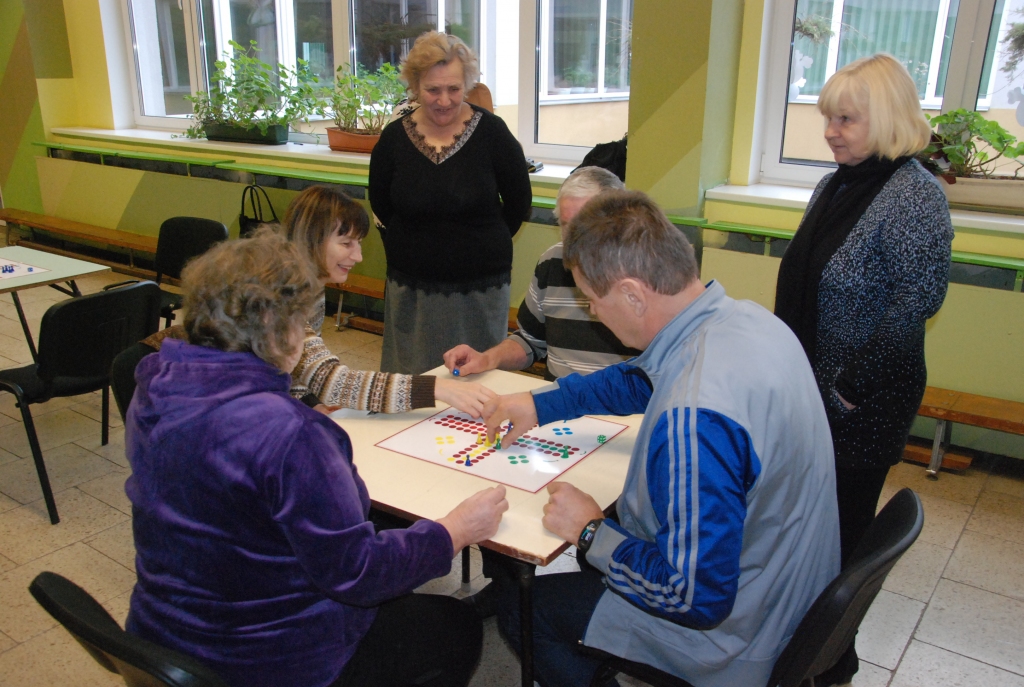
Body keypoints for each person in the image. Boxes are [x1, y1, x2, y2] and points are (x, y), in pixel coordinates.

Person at [482, 190, 840, 687]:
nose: (591, 312)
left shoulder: (694, 418)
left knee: (524, 610)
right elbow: (641, 378)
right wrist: (540, 403)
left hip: (740, 635)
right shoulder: (750, 321)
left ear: (632, 294)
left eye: (592, 300)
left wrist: (590, 532)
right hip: (792, 589)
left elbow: (693, 597)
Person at [124, 230, 509, 687]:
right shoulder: (291, 435)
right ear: (278, 330)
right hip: (267, 661)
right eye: (302, 323)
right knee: (453, 627)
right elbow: (358, 573)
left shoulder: (155, 384)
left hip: (161, 636)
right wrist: (454, 531)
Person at [773, 54, 953, 685]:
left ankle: (829, 664)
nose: (831, 131)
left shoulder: (915, 195)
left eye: (845, 119)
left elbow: (914, 309)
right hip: (812, 390)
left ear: (886, 118)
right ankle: (800, 643)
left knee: (842, 541)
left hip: (861, 401)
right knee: (807, 532)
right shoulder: (836, 184)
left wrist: (846, 393)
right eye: (828, 118)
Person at [130, 185, 495, 418]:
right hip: (160, 372)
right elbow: (332, 378)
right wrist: (437, 388)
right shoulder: (281, 290)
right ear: (314, 238)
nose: (357, 256)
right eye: (347, 243)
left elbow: (295, 369)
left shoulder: (307, 286)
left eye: (359, 244)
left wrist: (308, 404)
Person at [369, 31, 533, 374]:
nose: (444, 100)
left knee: (478, 380)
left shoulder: (493, 133)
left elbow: (519, 203)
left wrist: (478, 241)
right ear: (416, 86)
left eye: (454, 89)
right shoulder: (393, 139)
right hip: (412, 287)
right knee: (413, 380)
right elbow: (382, 204)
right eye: (433, 90)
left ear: (467, 84)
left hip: (480, 287)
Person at [443, 166, 640, 381]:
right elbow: (530, 341)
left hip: (626, 411)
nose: (575, 237)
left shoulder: (649, 270)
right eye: (567, 225)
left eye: (586, 223)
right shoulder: (552, 262)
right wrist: (487, 358)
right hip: (559, 405)